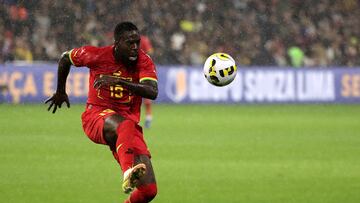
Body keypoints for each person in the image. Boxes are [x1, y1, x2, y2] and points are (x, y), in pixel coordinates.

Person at [45, 22, 158, 203]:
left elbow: (152, 91)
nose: (135, 47)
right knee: (125, 125)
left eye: (137, 42)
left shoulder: (143, 61)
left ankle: (129, 176)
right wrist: (60, 91)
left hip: (127, 128)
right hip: (95, 116)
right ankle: (128, 173)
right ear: (117, 42)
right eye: (130, 43)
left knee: (148, 191)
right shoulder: (96, 55)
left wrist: (118, 81)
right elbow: (66, 58)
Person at [140, 33, 154, 128]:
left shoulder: (127, 40)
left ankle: (148, 119)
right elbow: (150, 51)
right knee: (146, 95)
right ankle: (148, 118)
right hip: (143, 70)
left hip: (135, 70)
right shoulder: (143, 39)